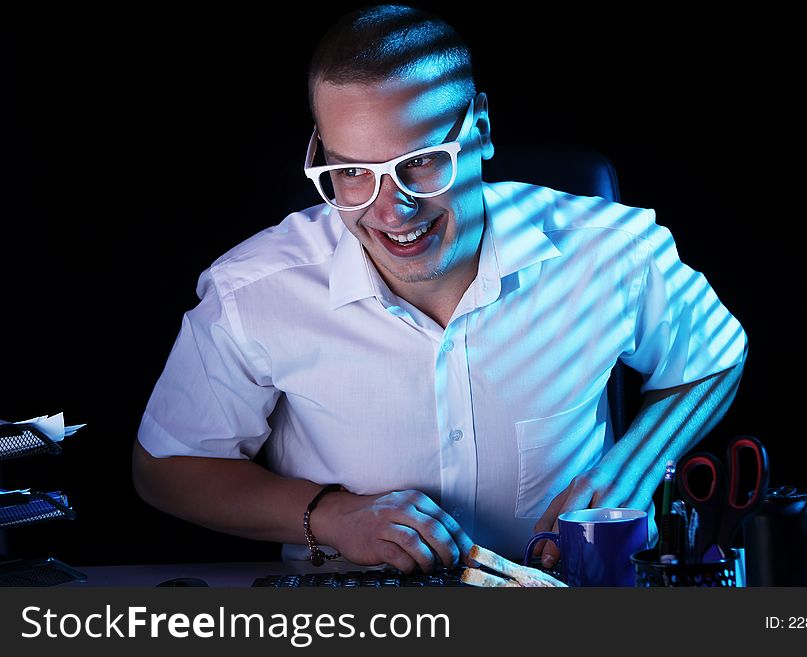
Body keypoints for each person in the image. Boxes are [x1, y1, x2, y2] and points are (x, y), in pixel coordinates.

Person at [132, 4, 747, 573]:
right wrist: (331, 515)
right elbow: (165, 468)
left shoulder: (608, 251)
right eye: (352, 173)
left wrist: (631, 471)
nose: (391, 211)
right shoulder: (253, 290)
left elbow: (715, 354)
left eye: (419, 162)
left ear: (479, 128)